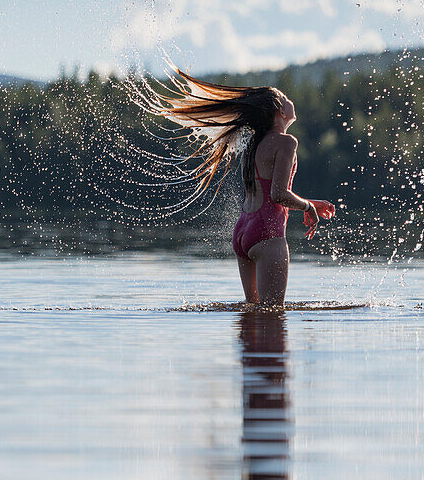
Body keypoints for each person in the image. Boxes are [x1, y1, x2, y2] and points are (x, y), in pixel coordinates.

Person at [139, 70, 335, 306]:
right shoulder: (287, 141)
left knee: (252, 315)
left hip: (244, 230)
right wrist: (308, 208)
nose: (289, 100)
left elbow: (267, 194)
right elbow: (278, 194)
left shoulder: (254, 143)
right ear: (280, 112)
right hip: (267, 233)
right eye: (284, 98)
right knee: (272, 316)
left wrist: (311, 203)